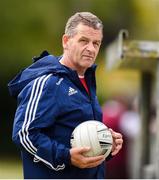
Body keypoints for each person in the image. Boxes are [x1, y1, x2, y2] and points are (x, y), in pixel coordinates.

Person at [8, 12, 123, 179]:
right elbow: (24, 134)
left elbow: (75, 136)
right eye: (83, 41)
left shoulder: (87, 82)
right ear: (66, 41)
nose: (91, 49)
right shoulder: (48, 82)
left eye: (96, 43)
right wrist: (66, 156)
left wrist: (105, 143)